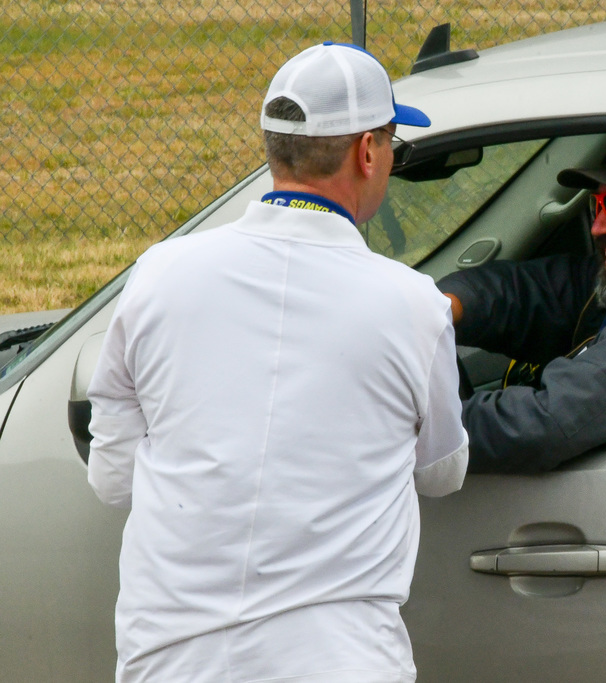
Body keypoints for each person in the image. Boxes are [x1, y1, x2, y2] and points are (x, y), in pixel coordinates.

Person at [87, 42, 468, 683]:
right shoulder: (413, 306)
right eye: (392, 145)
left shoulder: (159, 274)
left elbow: (112, 480)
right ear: (367, 152)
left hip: (174, 663)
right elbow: (442, 472)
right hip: (342, 663)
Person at [438, 134, 606, 473]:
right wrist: (438, 307)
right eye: (597, 205)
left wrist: (416, 423)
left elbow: (544, 424)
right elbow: (524, 292)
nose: (597, 227)